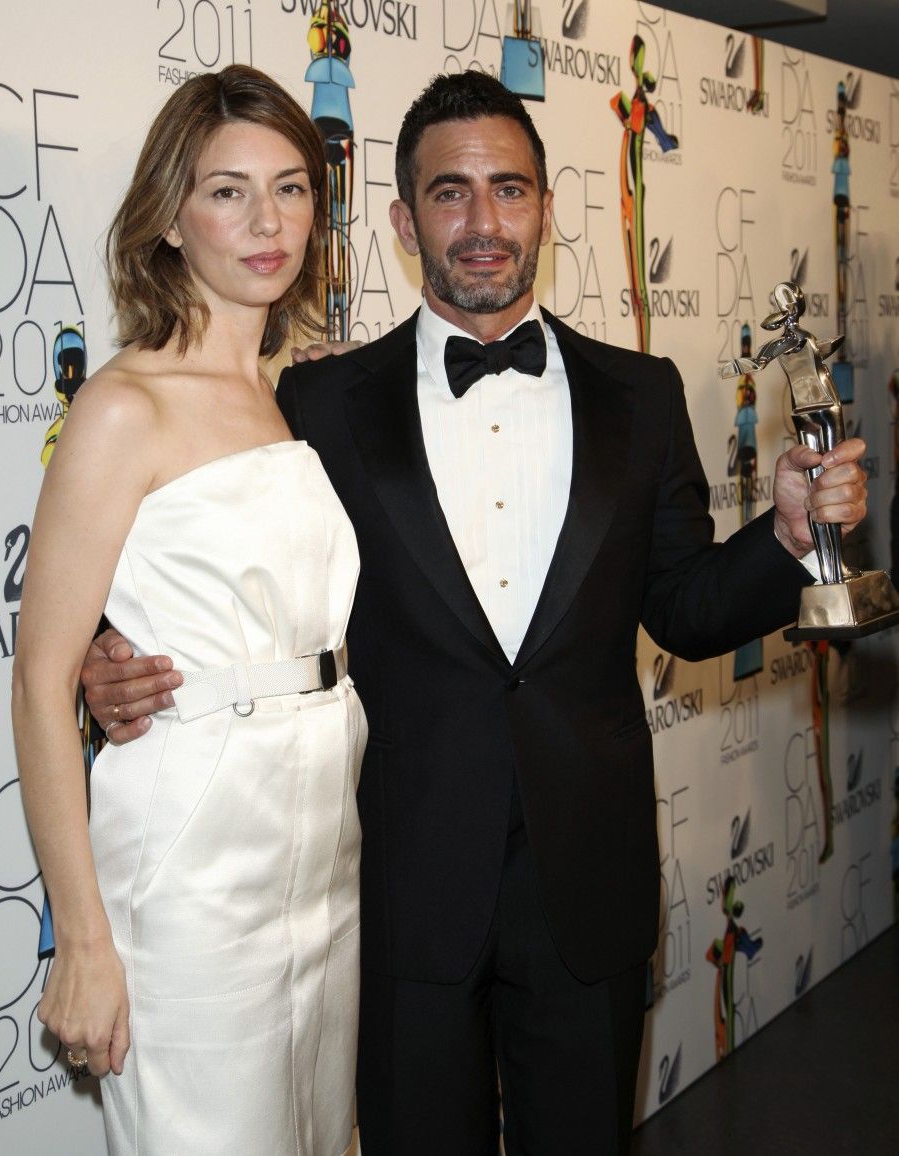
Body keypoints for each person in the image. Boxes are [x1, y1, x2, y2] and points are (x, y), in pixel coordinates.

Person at [83, 72, 868, 1154]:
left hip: (585, 886)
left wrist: (781, 539)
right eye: (449, 194)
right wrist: (108, 661)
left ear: (548, 206)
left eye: (509, 188)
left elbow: (685, 611)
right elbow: (215, 562)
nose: (483, 221)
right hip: (397, 886)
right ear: (404, 222)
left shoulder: (640, 396)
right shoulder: (314, 402)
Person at [12, 65, 366, 1156]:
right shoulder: (123, 405)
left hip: (319, 857)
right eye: (226, 191)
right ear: (169, 217)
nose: (268, 221)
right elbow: (38, 679)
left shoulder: (293, 394)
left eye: (292, 187)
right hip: (190, 857)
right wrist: (82, 938)